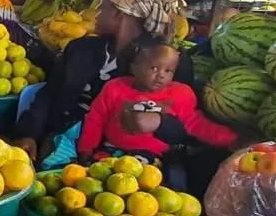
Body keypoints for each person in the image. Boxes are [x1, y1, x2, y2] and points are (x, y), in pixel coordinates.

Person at [14, 0, 193, 167]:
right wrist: (29, 134)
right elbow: (50, 94)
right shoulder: (81, 49)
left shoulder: (167, 63)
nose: (97, 10)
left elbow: (186, 128)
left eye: (104, 5)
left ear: (119, 15)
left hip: (129, 161)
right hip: (64, 144)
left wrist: (159, 121)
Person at [75, 38, 236, 163]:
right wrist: (86, 149)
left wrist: (231, 139)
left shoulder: (181, 94)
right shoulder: (115, 87)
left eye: (168, 71)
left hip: (152, 157)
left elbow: (196, 124)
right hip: (112, 150)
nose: (161, 75)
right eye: (154, 68)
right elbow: (96, 118)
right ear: (134, 68)